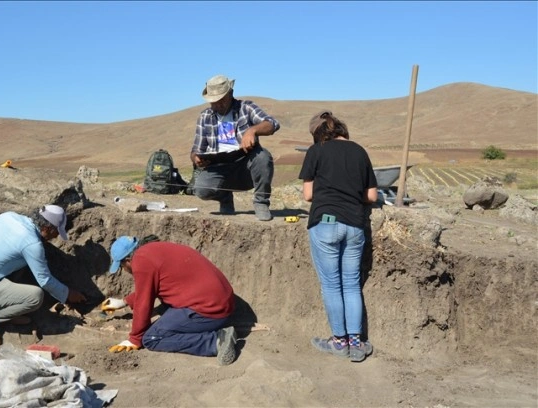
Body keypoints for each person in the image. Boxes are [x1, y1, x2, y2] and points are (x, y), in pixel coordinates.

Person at [298, 110, 378, 362]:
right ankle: (356, 343)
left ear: (318, 133)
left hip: (325, 222)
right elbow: (372, 197)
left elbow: (308, 195)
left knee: (332, 285)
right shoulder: (359, 151)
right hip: (354, 225)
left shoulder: (316, 151)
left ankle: (338, 342)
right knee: (352, 284)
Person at [0, 205, 87, 346]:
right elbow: (45, 280)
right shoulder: (31, 244)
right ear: (47, 228)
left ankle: (8, 311)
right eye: (56, 232)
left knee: (21, 262)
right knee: (35, 297)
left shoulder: (8, 217)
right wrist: (68, 293)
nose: (56, 236)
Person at [102, 235, 239, 365]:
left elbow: (144, 304)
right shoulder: (152, 250)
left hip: (212, 309)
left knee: (152, 338)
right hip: (222, 300)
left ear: (127, 260)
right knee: (165, 307)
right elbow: (150, 288)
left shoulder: (141, 262)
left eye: (122, 266)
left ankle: (216, 340)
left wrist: (135, 339)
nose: (125, 270)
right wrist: (124, 302)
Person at [190, 74, 281, 221]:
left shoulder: (246, 108)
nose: (217, 105)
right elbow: (196, 149)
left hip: (245, 164)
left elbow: (272, 124)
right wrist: (196, 158)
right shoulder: (204, 117)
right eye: (213, 102)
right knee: (201, 190)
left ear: (231, 94)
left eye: (222, 100)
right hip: (219, 166)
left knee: (263, 156)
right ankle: (225, 197)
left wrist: (252, 131)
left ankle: (261, 202)